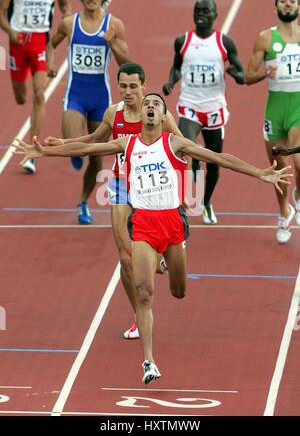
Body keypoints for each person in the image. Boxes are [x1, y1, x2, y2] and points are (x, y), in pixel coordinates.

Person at [13, 93, 292, 384]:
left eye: (156, 105)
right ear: (143, 114)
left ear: (162, 117)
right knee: (145, 294)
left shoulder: (175, 143)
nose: (149, 107)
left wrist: (260, 173)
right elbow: (89, 149)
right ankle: (149, 362)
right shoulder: (127, 144)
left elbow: (219, 158)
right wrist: (46, 153)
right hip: (143, 223)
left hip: (172, 223)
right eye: (147, 103)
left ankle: (170, 262)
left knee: (179, 291)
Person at [44, 63, 183, 340]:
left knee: (148, 250)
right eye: (123, 86)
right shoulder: (113, 113)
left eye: (133, 86)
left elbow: (181, 147)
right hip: (120, 184)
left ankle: (161, 258)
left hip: (149, 188)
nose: (128, 92)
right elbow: (94, 141)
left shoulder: (157, 113)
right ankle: (138, 317)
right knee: (124, 256)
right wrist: (61, 143)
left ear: (144, 86)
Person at [46, 0, 130, 224]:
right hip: (75, 96)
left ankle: (83, 201)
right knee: (74, 146)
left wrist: (113, 42)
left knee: (96, 158)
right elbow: (51, 45)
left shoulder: (114, 25)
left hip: (100, 100)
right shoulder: (69, 24)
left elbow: (127, 63)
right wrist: (51, 63)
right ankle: (74, 151)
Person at [162, 0, 244, 225]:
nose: (201, 14)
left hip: (214, 108)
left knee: (215, 161)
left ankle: (206, 202)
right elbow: (177, 67)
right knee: (185, 150)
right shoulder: (182, 41)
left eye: (206, 11)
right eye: (197, 10)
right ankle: (185, 194)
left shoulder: (224, 42)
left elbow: (241, 70)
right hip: (189, 105)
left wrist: (238, 76)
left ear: (215, 15)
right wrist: (171, 81)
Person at [0, 0, 72, 174]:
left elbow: (65, 5)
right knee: (22, 98)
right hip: (18, 44)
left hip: (41, 44)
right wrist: (10, 32)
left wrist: (67, 16)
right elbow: (1, 13)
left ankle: (32, 150)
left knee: (40, 95)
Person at [245, 0, 300, 243]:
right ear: (275, 7)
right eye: (282, 0)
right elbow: (248, 76)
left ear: (298, 7)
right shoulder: (266, 39)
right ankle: (284, 211)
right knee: (279, 167)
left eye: (292, 0)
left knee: (297, 160)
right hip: (275, 109)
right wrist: (266, 74)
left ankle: (298, 197)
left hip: (299, 107)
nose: (287, 4)